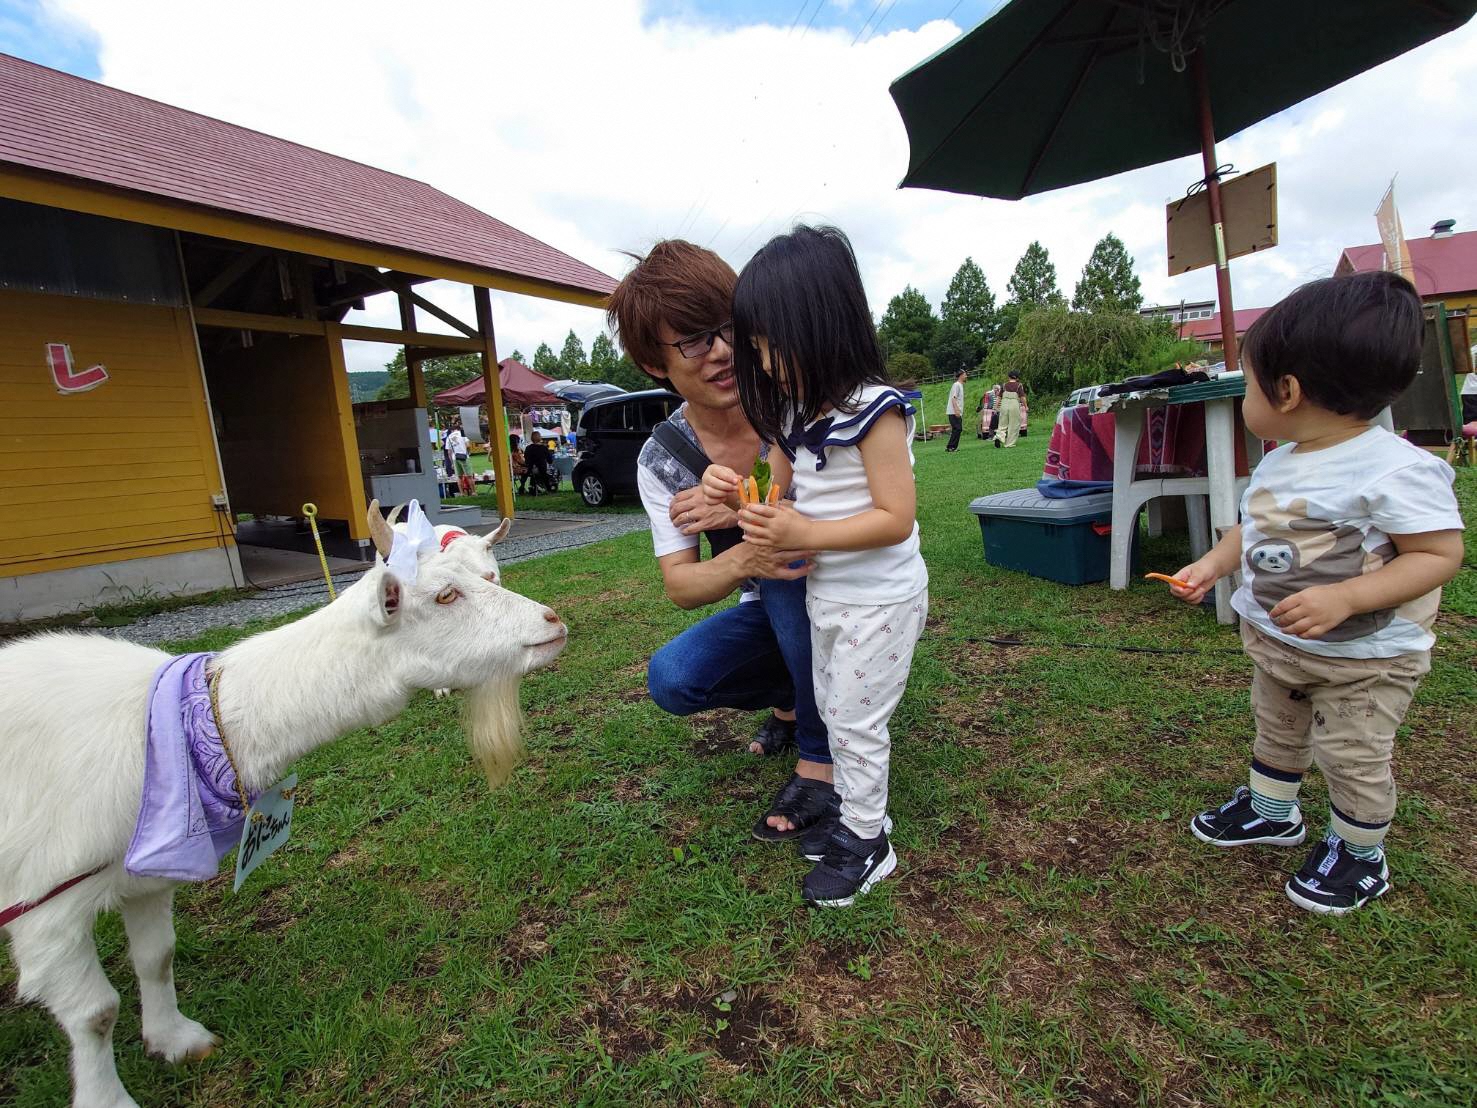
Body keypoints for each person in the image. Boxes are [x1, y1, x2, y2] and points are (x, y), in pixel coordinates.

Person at [1171, 272, 1463, 915]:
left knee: (1352, 753)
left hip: (1364, 659)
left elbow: (1440, 555)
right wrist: (1214, 565)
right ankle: (1273, 810)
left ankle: (1360, 853)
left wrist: (1350, 598)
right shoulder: (1285, 457)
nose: (1246, 396)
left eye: (1247, 384)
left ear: (1287, 390)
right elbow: (1253, 529)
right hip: (1282, 643)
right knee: (1277, 725)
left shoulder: (1396, 468)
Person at [703, 225, 928, 909]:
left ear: (818, 325)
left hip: (879, 599)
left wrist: (807, 530)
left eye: (769, 345)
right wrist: (748, 505)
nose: (763, 363)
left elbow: (895, 517)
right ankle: (860, 812)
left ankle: (866, 840)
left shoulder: (873, 410)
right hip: (829, 595)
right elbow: (783, 499)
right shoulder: (796, 415)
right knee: (831, 707)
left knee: (855, 720)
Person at [608, 240, 838, 847]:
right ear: (655, 364)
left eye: (730, 328)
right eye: (693, 341)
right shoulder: (663, 460)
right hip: (774, 608)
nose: (723, 352)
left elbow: (853, 508)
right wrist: (743, 553)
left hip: (848, 597)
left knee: (784, 560)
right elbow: (681, 586)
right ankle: (795, 695)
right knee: (673, 678)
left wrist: (740, 503)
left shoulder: (793, 398)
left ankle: (821, 761)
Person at [996, 370, 1026, 448]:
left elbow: (999, 397)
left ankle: (999, 437)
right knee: (1014, 424)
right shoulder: (1019, 385)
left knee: (1002, 423)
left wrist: (996, 406)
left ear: (1009, 377)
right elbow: (1022, 397)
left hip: (1004, 404)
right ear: (1017, 377)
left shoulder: (1004, 385)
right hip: (1014, 404)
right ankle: (1009, 443)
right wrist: (1026, 406)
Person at [521, 431, 552, 495]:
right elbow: (550, 460)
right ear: (540, 438)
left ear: (531, 438)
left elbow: (526, 459)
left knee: (529, 473)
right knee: (547, 473)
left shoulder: (528, 448)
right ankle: (549, 489)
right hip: (542, 470)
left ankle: (524, 488)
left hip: (530, 470)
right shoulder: (544, 448)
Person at [445, 422, 473, 495]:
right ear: (458, 429)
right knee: (469, 476)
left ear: (452, 430)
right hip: (464, 457)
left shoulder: (449, 437)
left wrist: (451, 462)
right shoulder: (462, 434)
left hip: (455, 458)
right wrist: (468, 453)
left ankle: (461, 493)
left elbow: (449, 452)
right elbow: (468, 446)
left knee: (459, 477)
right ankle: (473, 492)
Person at [945, 370, 966, 452]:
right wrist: (956, 410)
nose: (966, 376)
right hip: (953, 411)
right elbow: (953, 398)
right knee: (958, 428)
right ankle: (951, 447)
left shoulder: (960, 385)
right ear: (960, 375)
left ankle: (952, 447)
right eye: (965, 375)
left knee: (957, 429)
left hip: (957, 411)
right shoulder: (956, 385)